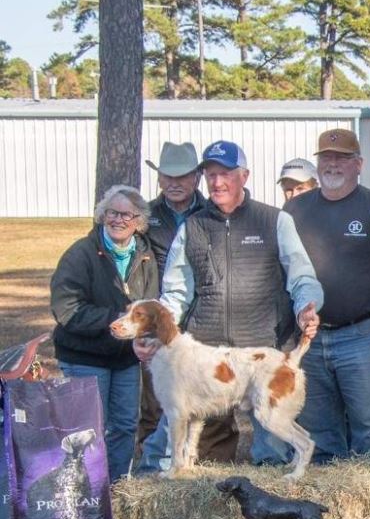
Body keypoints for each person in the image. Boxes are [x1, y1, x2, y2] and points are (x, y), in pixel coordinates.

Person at [135, 139, 324, 472]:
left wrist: (307, 306)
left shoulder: (275, 221)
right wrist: (153, 332)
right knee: (197, 449)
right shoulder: (191, 227)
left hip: (263, 349)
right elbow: (176, 292)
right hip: (206, 358)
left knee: (271, 451)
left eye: (226, 174)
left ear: (245, 176)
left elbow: (301, 276)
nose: (217, 183)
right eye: (211, 175)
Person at [285, 128, 370, 464]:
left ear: (359, 164)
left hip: (365, 335)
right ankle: (325, 512)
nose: (333, 164)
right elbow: (284, 269)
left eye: (342, 158)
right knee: (317, 431)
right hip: (311, 338)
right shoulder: (294, 210)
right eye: (326, 157)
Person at [50, 185, 159, 482]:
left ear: (138, 221)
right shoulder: (80, 254)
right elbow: (66, 309)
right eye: (112, 212)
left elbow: (150, 307)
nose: (118, 219)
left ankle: (116, 488)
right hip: (85, 357)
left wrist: (142, 336)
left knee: (124, 425)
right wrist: (119, 320)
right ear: (101, 216)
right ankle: (86, 492)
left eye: (127, 214)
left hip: (125, 358)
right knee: (87, 429)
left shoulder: (145, 255)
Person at [139, 142, 235, 468]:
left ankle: (213, 472)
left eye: (182, 176)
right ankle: (155, 474)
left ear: (196, 177)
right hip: (161, 321)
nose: (174, 183)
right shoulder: (145, 217)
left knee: (215, 400)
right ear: (159, 178)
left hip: (206, 317)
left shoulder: (215, 213)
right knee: (157, 402)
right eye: (167, 176)